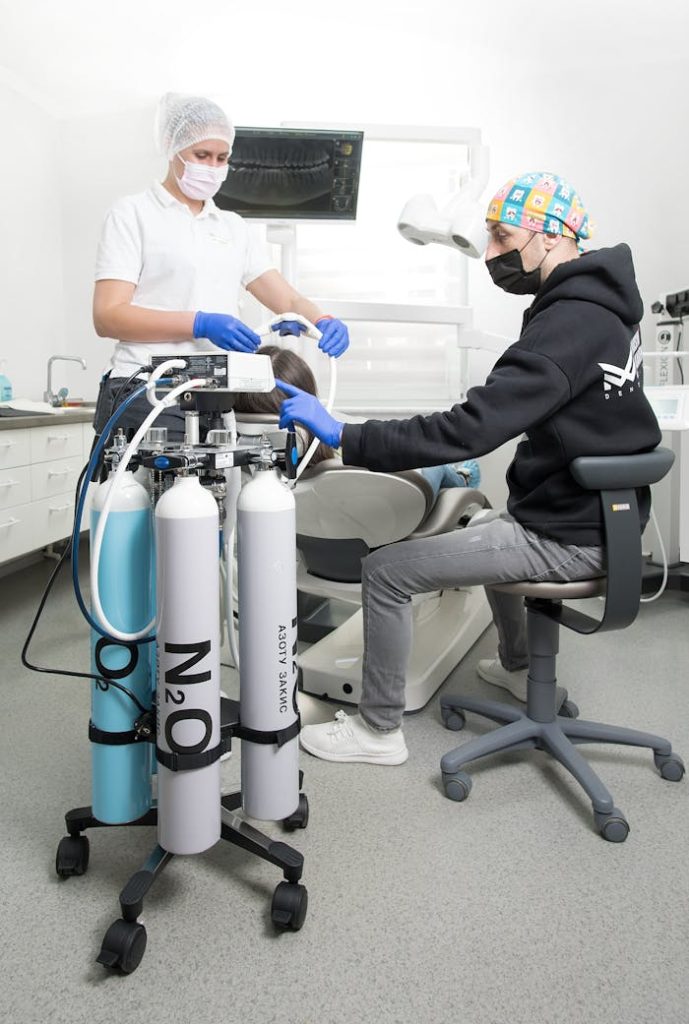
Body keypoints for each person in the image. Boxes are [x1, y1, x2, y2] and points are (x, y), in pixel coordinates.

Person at [276, 170, 662, 766]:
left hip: (568, 536)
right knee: (478, 527)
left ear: (552, 237)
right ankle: (517, 669)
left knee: (385, 570)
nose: (490, 254)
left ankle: (377, 732)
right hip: (599, 520)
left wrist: (344, 433)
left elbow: (468, 431)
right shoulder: (605, 309)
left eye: (504, 238)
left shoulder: (566, 323)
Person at [92, 92, 350, 441]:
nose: (212, 166)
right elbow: (108, 316)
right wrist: (199, 323)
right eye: (202, 155)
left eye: (221, 158)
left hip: (212, 394)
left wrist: (321, 319)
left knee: (212, 494)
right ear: (172, 145)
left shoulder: (232, 227)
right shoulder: (133, 214)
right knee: (147, 494)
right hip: (145, 389)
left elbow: (287, 302)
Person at [233, 344, 481, 495]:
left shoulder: (246, 468)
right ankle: (463, 476)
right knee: (439, 461)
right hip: (405, 496)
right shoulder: (336, 451)